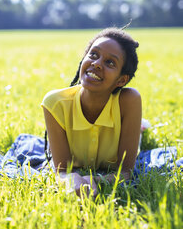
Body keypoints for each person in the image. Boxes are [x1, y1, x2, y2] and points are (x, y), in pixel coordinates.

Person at [41, 27, 141, 197]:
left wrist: (95, 180)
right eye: (93, 55)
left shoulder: (129, 101)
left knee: (140, 132)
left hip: (129, 125)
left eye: (110, 62)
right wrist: (71, 179)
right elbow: (62, 171)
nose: (96, 63)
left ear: (121, 80)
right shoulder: (55, 103)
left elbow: (126, 172)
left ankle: (141, 127)